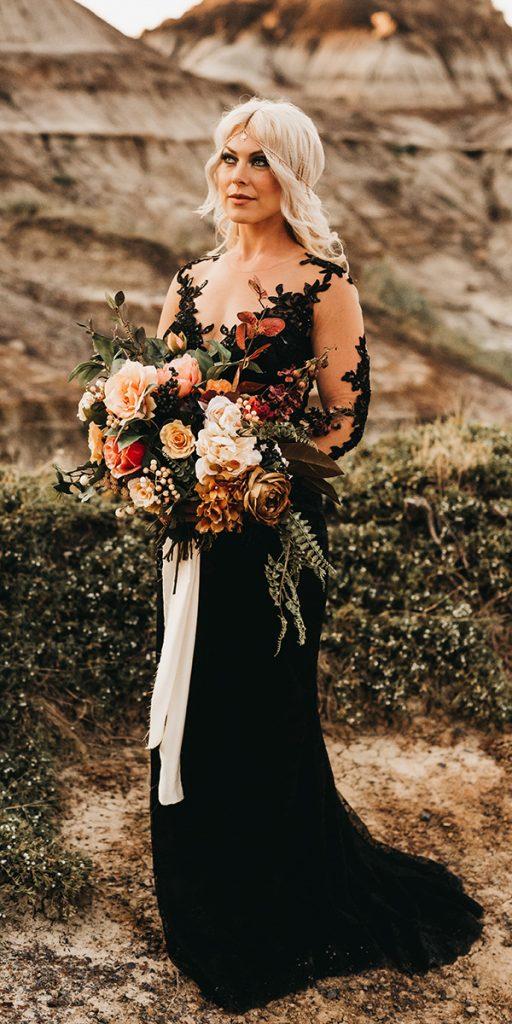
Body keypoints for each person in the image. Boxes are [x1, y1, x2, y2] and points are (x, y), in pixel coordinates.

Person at [149, 96, 484, 1012]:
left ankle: (271, 907)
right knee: (194, 707)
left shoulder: (325, 284)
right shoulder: (187, 281)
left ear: (292, 174)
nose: (239, 175)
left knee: (263, 708)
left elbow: (343, 423)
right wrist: (156, 458)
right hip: (193, 532)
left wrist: (252, 473)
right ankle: (200, 897)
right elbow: (165, 400)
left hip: (275, 533)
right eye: (228, 157)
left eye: (259, 160)